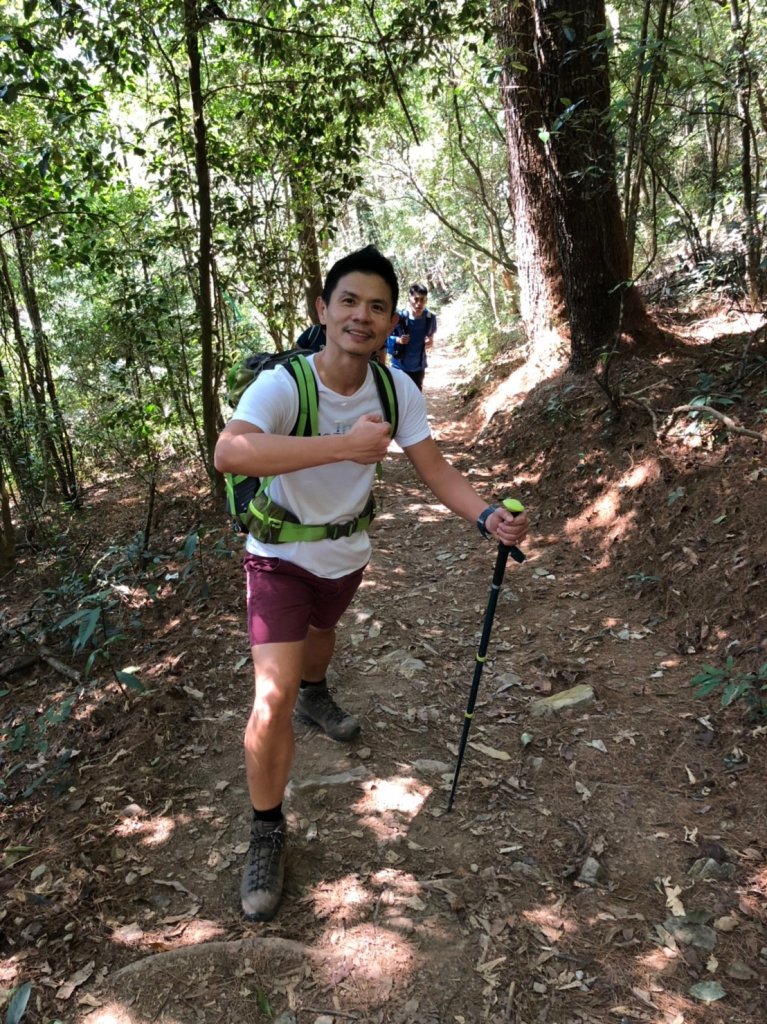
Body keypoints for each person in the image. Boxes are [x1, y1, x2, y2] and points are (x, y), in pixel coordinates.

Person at [214, 246, 529, 923]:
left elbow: (436, 470)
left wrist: (485, 516)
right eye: (349, 301)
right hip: (276, 554)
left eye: (377, 307)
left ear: (393, 323)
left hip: (345, 552)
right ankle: (267, 829)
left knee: (321, 641)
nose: (362, 315)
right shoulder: (284, 385)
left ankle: (317, 696)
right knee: (270, 695)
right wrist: (343, 446)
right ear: (323, 310)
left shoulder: (395, 391)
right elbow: (230, 452)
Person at [387, 282, 437, 390]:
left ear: (426, 301)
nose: (419, 304)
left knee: (415, 399)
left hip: (418, 368)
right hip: (398, 367)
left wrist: (430, 341)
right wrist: (398, 340)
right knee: (399, 399)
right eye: (416, 299)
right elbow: (385, 340)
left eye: (422, 300)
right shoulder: (399, 317)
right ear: (409, 299)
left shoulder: (430, 318)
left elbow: (430, 337)